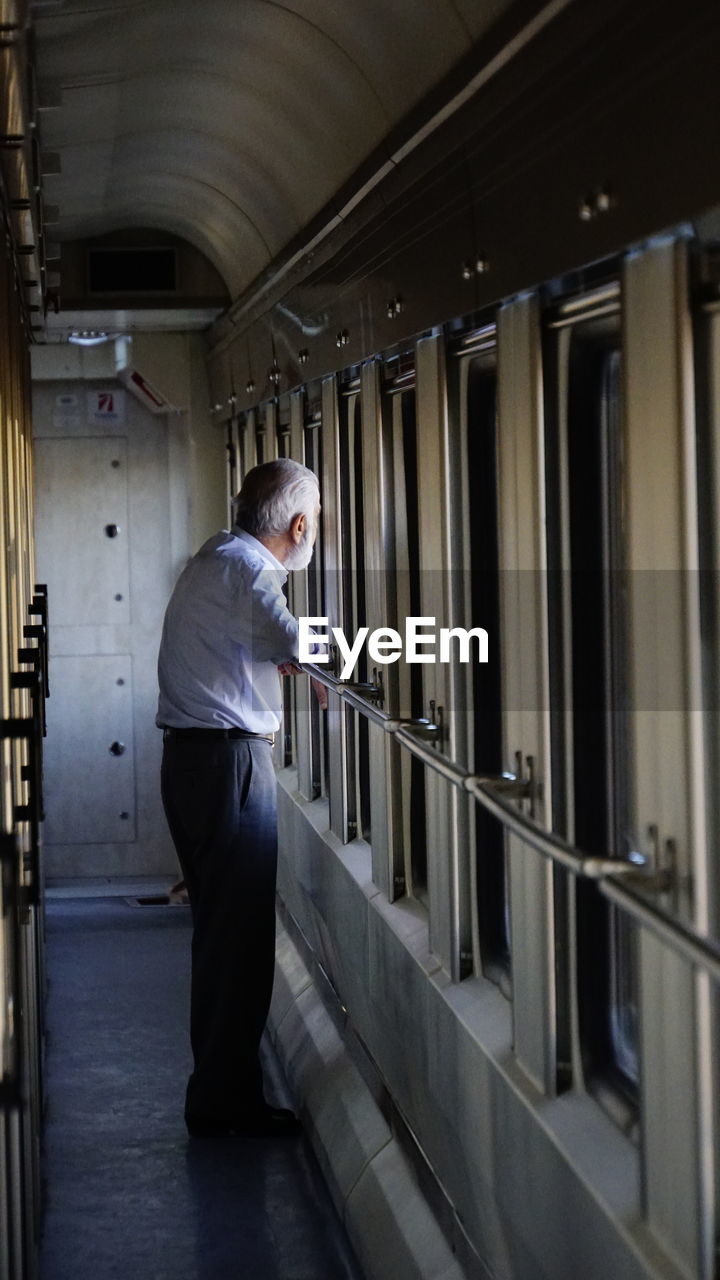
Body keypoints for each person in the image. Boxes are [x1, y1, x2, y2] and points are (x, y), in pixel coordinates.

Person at [156, 457, 321, 1138]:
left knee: (223, 936)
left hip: (195, 760)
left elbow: (253, 639)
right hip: (227, 764)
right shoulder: (249, 570)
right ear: (300, 524)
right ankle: (224, 1103)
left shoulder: (216, 557)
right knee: (239, 939)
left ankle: (220, 1092)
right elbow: (291, 638)